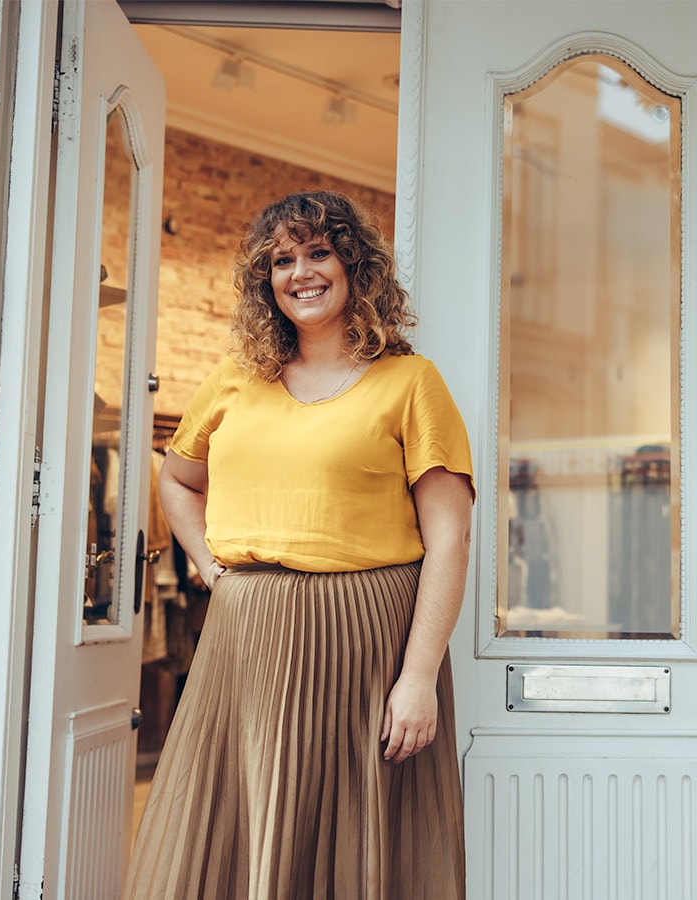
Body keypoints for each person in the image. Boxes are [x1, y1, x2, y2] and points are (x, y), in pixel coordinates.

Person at [125, 191, 474, 899]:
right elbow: (178, 478)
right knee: (226, 824)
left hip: (366, 638)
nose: (301, 272)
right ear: (266, 281)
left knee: (351, 837)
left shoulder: (411, 382)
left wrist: (418, 676)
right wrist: (207, 563)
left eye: (319, 252)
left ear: (355, 266)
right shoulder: (234, 379)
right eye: (282, 259)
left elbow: (450, 536)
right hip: (244, 636)